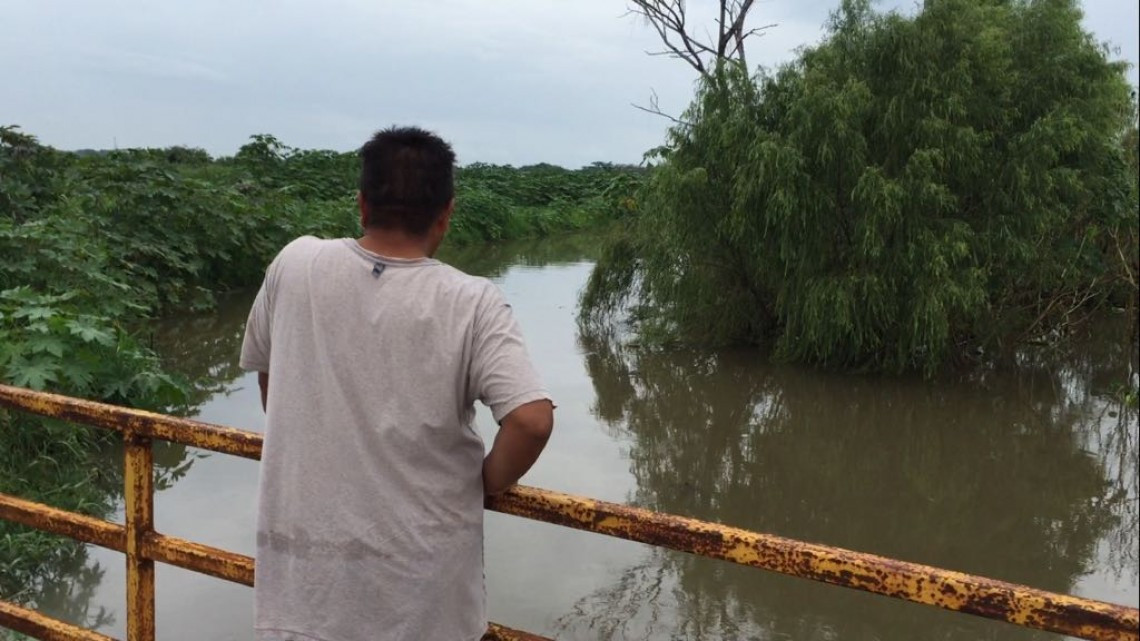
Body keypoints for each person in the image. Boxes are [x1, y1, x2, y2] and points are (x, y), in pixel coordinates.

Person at [239, 126, 555, 641]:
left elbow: (272, 382)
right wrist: (488, 483)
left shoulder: (293, 264)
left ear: (362, 205)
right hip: (424, 601)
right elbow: (531, 421)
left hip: (303, 592)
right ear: (446, 214)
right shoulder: (471, 301)